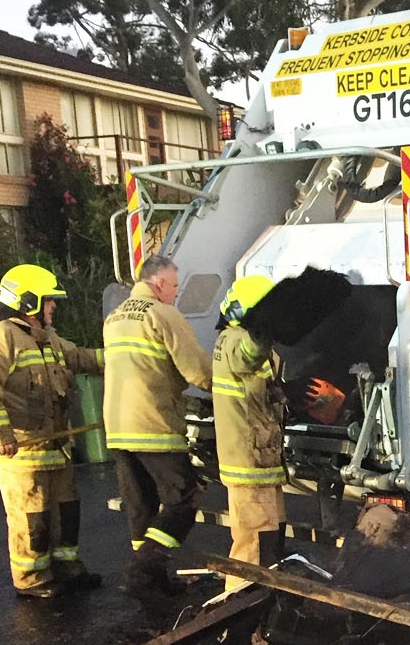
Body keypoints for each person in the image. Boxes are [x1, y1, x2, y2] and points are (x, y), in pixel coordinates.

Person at [0, 263, 104, 599]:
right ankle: (31, 580)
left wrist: (123, 355)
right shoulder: (1, 338)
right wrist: (2, 434)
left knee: (66, 511)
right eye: (49, 301)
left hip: (57, 448)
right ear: (29, 302)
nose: (54, 306)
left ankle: (67, 568)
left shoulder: (48, 339)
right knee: (33, 517)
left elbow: (82, 358)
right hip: (24, 452)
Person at [103, 254, 213, 594]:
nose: (177, 294)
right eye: (175, 286)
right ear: (160, 283)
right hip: (153, 425)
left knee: (142, 506)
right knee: (185, 496)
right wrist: (228, 386)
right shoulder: (163, 314)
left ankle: (150, 581)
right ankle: (143, 568)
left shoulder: (115, 316)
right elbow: (197, 371)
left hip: (118, 428)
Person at [211, 275, 287, 590]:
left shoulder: (247, 342)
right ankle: (238, 614)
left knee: (271, 541)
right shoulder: (233, 341)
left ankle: (263, 611)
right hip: (249, 468)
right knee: (252, 551)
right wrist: (265, 331)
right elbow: (247, 355)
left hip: (262, 465)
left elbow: (262, 388)